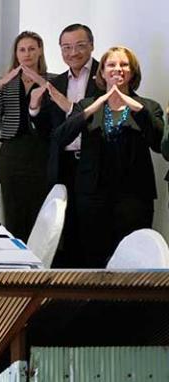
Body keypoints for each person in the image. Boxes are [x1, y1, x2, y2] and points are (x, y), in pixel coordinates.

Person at [55, 46, 164, 268]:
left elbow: (158, 142)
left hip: (134, 198)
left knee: (133, 259)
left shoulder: (149, 106)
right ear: (102, 73)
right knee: (93, 257)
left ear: (132, 72)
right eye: (111, 65)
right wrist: (94, 106)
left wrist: (135, 107)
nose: (118, 69)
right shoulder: (87, 105)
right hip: (92, 195)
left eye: (124, 64)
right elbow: (60, 137)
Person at [31, 23, 100, 267]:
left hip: (96, 166)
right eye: (66, 47)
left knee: (92, 232)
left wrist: (71, 108)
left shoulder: (105, 76)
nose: (73, 52)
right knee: (66, 229)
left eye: (80, 46)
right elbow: (49, 132)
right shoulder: (57, 82)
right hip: (65, 165)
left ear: (91, 45)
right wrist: (34, 109)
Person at [0, 31, 50, 242]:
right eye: (22, 49)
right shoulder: (9, 82)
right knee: (13, 212)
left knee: (37, 213)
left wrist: (42, 85)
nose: (27, 54)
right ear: (16, 54)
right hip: (12, 151)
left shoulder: (52, 81)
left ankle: (36, 263)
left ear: (40, 51)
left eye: (32, 49)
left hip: (41, 152)